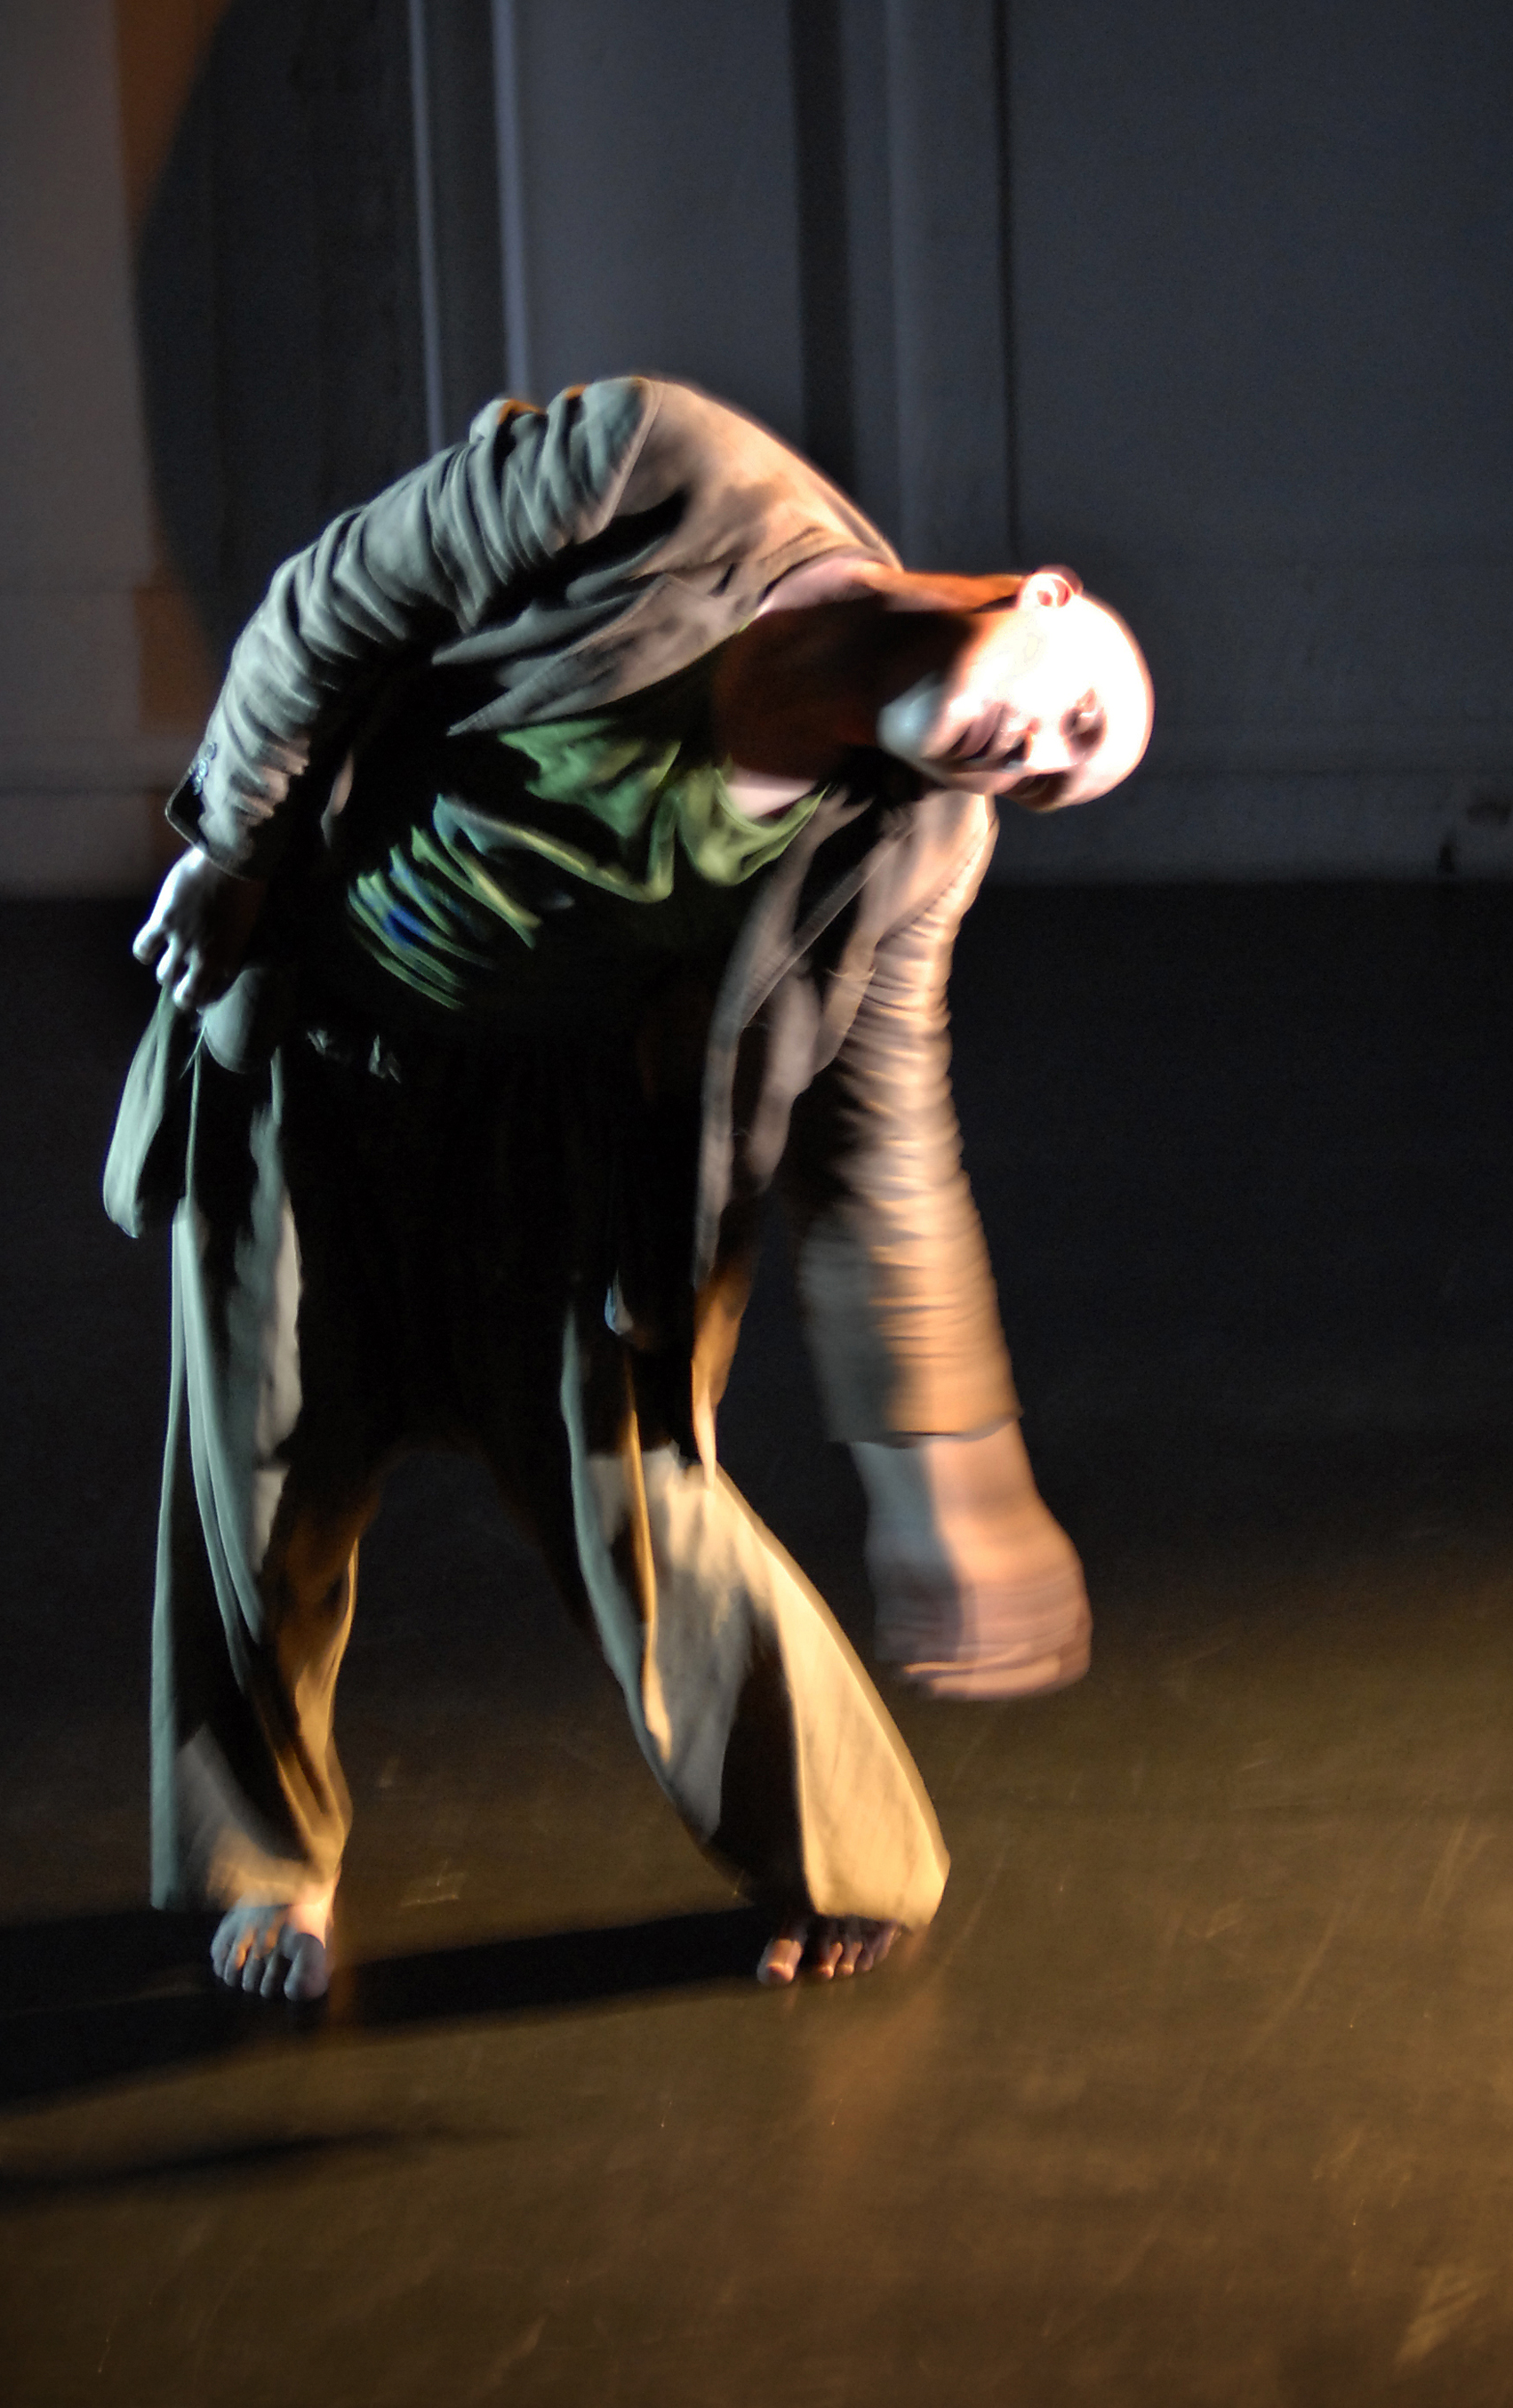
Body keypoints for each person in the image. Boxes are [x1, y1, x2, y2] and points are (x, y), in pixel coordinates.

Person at [106, 376, 1151, 2002]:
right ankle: (267, 1864)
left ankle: (844, 1852)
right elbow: (331, 606)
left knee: (641, 1488)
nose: (1033, 760)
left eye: (1054, 787)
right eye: (1074, 717)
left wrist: (950, 1479)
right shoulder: (655, 471)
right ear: (1044, 594)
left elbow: (877, 1148)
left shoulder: (914, 845)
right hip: (317, 1061)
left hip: (564, 1138)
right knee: (258, 1481)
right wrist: (232, 841)